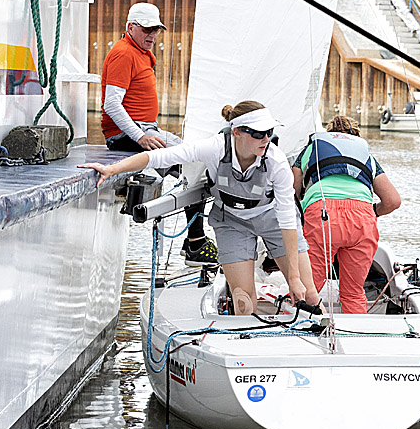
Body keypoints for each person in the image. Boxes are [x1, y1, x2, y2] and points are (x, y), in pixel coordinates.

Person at [80, 101, 319, 314]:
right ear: (237, 132)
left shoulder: (275, 161)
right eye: (258, 134)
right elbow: (160, 157)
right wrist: (113, 169)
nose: (266, 139)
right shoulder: (215, 147)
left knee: (308, 293)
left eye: (269, 132)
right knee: (244, 304)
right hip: (231, 221)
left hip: (272, 219)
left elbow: (288, 219)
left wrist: (294, 279)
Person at [100, 2, 214, 265]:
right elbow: (111, 104)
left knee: (197, 160)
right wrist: (140, 137)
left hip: (145, 128)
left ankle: (195, 241)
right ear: (131, 27)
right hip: (126, 135)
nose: (152, 35)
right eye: (147, 29)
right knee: (193, 164)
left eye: (156, 30)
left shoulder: (139, 52)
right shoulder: (124, 54)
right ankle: (195, 244)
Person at [292, 116, 401, 314]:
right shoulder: (368, 157)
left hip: (322, 214)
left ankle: (296, 334)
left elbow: (292, 190)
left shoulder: (312, 148)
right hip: (363, 218)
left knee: (307, 288)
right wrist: (372, 212)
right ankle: (357, 336)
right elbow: (393, 201)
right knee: (353, 292)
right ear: (356, 137)